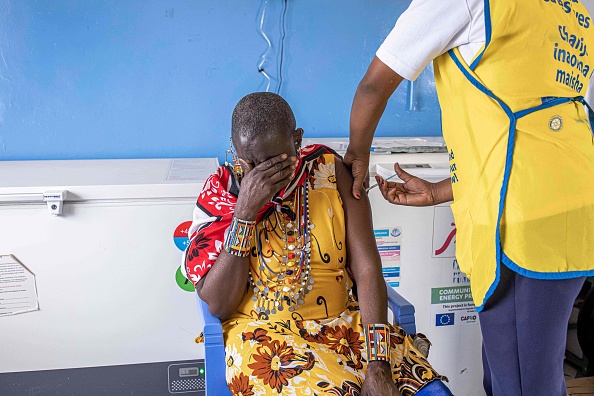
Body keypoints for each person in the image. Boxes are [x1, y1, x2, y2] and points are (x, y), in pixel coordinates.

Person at [345, 1, 594, 395]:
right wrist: (440, 190)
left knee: (522, 384)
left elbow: (374, 84)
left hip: (522, 221)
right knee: (511, 373)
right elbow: (526, 123)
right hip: (574, 200)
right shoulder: (571, 9)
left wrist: (357, 154)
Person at [184, 92, 446, 396]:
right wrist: (244, 212)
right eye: (250, 163)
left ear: (297, 140)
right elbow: (218, 303)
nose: (261, 175)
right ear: (234, 150)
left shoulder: (331, 174)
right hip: (264, 342)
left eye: (274, 162)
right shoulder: (221, 195)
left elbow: (367, 269)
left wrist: (378, 364)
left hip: (347, 329)